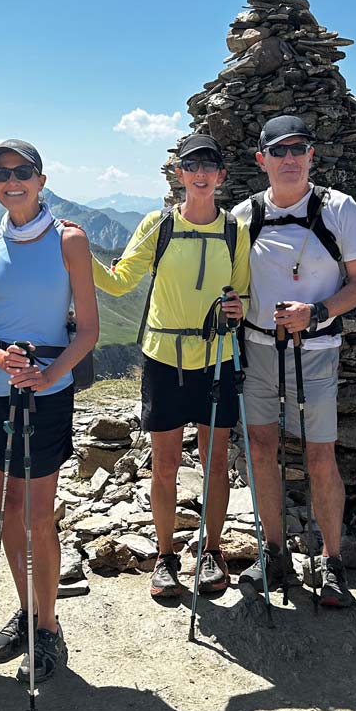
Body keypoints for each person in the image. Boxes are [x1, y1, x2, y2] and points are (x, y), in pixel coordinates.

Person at [90, 134, 248, 600]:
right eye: (191, 165)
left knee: (215, 462)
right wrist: (78, 250)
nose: (200, 173)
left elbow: (242, 293)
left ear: (221, 175)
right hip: (164, 359)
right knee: (165, 463)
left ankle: (212, 552)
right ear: (178, 173)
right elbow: (119, 282)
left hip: (217, 357)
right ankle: (165, 556)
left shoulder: (235, 230)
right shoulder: (157, 225)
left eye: (209, 165)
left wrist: (238, 307)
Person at [0, 139, 98, 685]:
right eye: (1, 173)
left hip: (47, 391)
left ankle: (48, 627)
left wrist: (47, 373)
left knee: (39, 515)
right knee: (11, 507)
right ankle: (27, 609)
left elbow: (87, 330)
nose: (12, 180)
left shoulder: (69, 240)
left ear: (41, 180)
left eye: (23, 171)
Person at [232, 114, 356, 607]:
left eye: (298, 149)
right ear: (262, 159)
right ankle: (273, 553)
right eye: (279, 150)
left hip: (314, 350)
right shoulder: (244, 215)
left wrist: (316, 312)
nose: (289, 158)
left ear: (312, 155)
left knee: (319, 454)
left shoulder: (339, 209)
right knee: (261, 446)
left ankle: (331, 560)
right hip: (258, 347)